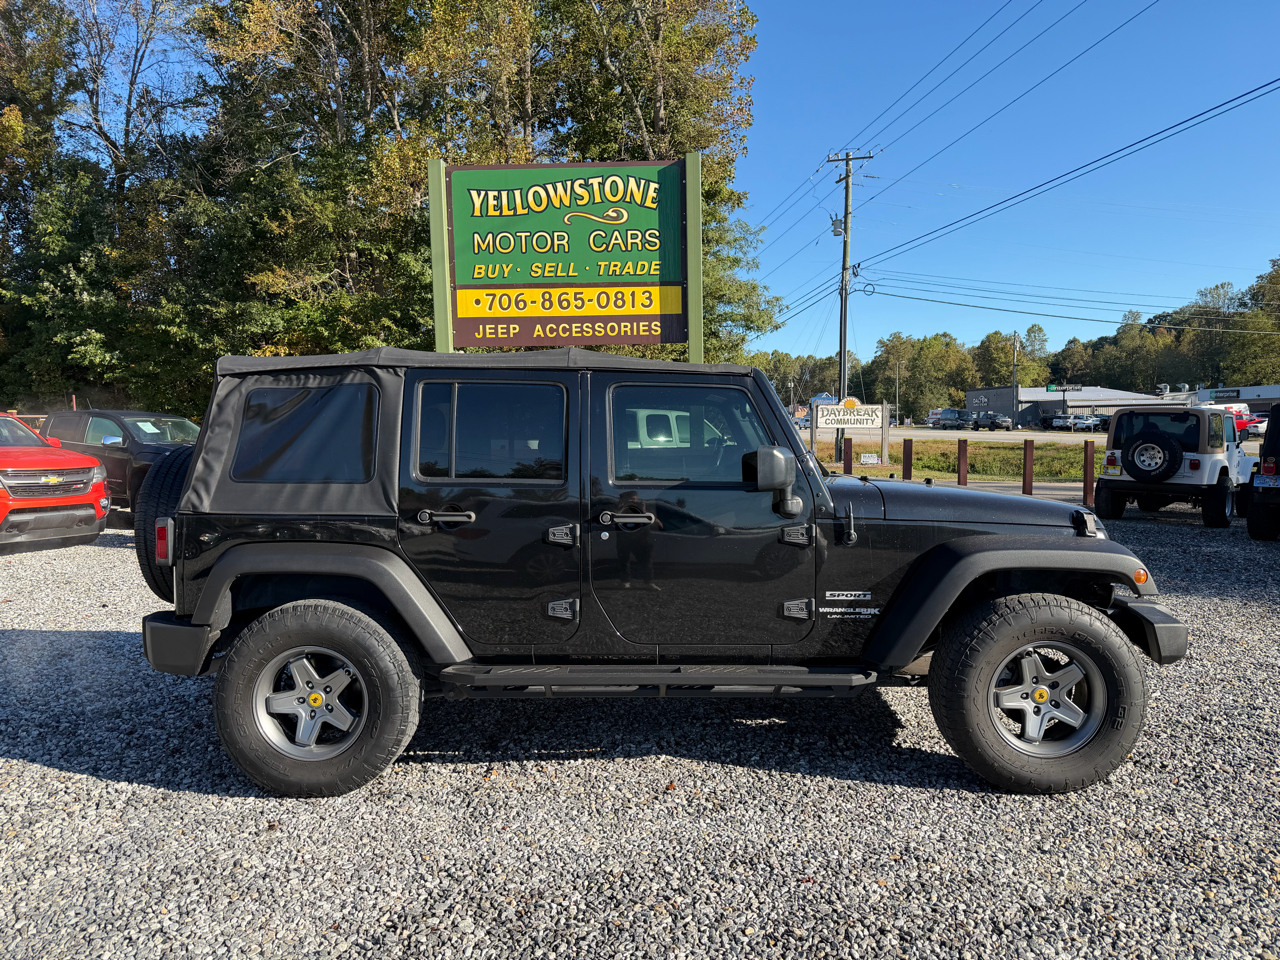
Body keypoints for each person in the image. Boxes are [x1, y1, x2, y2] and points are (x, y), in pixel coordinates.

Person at [614, 490, 663, 590]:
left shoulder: (644, 508)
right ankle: (625, 581)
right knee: (623, 560)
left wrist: (645, 513)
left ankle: (648, 582)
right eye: (628, 500)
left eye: (633, 499)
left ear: (638, 500)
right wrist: (619, 509)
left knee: (646, 560)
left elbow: (659, 525)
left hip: (642, 538)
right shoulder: (618, 508)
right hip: (624, 537)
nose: (631, 502)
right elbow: (608, 520)